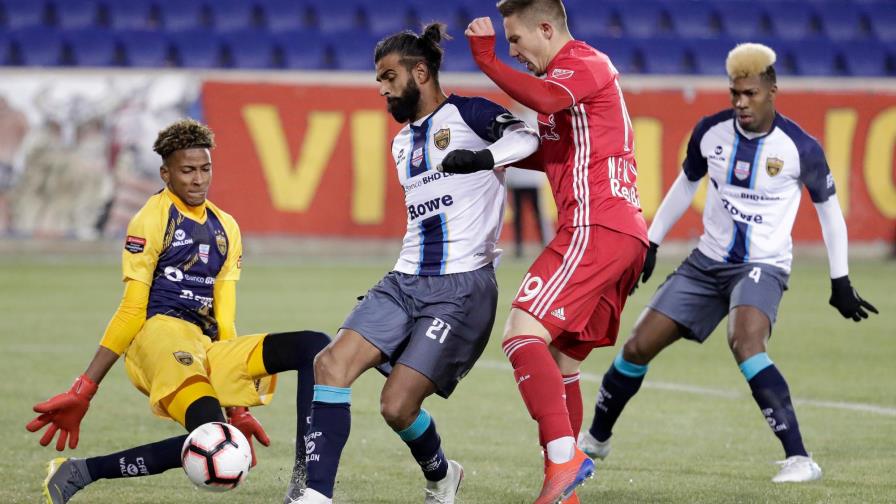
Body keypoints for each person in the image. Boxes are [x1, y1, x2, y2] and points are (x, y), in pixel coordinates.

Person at [578, 43, 879, 483]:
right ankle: (597, 439)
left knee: (745, 341)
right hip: (707, 262)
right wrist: (653, 242)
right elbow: (685, 185)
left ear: (772, 90)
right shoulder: (710, 132)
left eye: (750, 94)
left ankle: (800, 458)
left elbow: (829, 212)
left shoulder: (800, 148)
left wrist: (841, 280)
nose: (740, 102)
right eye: (735, 93)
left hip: (763, 264)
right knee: (637, 346)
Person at [292, 23, 539, 504]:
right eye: (378, 80)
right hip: (404, 279)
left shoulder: (469, 113)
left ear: (420, 72)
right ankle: (315, 496)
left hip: (461, 289)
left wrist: (484, 158)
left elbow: (527, 138)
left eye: (389, 77)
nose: (382, 89)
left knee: (397, 407)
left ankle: (442, 475)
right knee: (330, 363)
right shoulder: (402, 143)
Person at [26, 118, 331, 504]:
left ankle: (304, 484)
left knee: (316, 347)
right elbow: (132, 309)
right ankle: (83, 472)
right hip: (160, 338)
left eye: (205, 169)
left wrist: (236, 406)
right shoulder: (151, 219)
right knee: (212, 437)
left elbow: (224, 318)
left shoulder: (226, 227)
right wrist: (84, 389)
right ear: (165, 173)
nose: (198, 179)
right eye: (187, 171)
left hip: (204, 344)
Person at [445, 1, 649, 502]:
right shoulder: (569, 87)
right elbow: (555, 149)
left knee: (520, 334)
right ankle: (564, 490)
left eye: (516, 41)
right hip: (618, 232)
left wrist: (489, 62)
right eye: (507, 45)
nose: (514, 52)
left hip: (594, 225)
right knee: (561, 360)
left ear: (545, 28)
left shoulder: (582, 63)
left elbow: (545, 100)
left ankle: (564, 458)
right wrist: (485, 157)